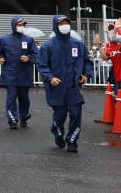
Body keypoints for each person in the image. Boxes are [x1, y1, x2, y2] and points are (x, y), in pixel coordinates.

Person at [36, 15, 94, 152]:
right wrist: (50, 77)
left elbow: (87, 61)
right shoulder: (48, 46)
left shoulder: (78, 44)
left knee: (75, 114)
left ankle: (72, 141)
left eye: (67, 23)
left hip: (74, 86)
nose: (65, 26)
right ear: (56, 26)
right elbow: (42, 65)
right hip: (57, 86)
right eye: (61, 23)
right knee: (60, 115)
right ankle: (58, 133)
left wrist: (86, 74)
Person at [0, 17, 39, 129]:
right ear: (14, 26)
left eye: (23, 24)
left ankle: (23, 116)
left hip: (24, 73)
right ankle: (12, 120)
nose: (21, 27)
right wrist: (0, 59)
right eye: (19, 24)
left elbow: (36, 55)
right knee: (11, 98)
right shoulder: (4, 40)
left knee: (24, 99)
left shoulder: (29, 40)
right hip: (10, 73)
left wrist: (28, 58)